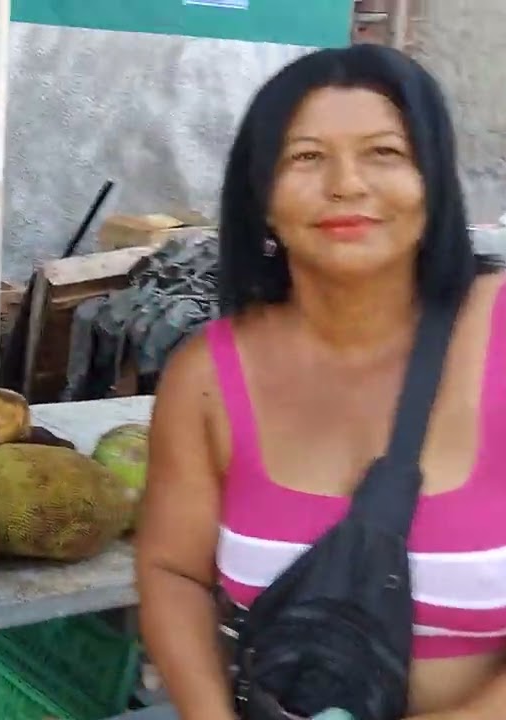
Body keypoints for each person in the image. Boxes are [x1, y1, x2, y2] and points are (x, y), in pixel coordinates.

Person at [135, 44, 506, 720]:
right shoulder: (207, 379)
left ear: (435, 181)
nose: (346, 184)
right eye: (306, 157)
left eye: (385, 153)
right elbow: (173, 573)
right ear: (263, 199)